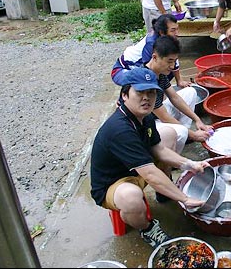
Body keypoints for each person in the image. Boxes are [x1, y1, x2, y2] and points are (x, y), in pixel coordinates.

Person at [90, 67, 210, 248]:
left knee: (168, 135)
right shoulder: (119, 129)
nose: (146, 97)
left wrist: (190, 164)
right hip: (113, 184)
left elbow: (159, 151)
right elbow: (150, 174)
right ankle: (147, 229)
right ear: (124, 95)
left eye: (151, 92)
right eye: (140, 92)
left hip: (136, 170)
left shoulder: (144, 117)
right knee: (132, 197)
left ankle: (164, 192)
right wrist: (184, 198)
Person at [144, 35, 213, 155]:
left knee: (190, 92)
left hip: (159, 114)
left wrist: (197, 120)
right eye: (169, 61)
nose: (172, 66)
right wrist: (194, 135)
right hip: (147, 125)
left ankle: (184, 136)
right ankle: (172, 158)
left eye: (174, 61)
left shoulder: (159, 72)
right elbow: (164, 117)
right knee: (180, 132)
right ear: (155, 57)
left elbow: (174, 97)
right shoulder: (147, 81)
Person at [111, 13, 191, 88]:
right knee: (145, 80)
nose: (177, 33)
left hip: (141, 67)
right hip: (123, 69)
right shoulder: (151, 44)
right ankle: (124, 100)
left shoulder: (169, 40)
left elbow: (173, 59)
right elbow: (148, 68)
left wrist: (179, 81)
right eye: (173, 30)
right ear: (162, 32)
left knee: (168, 69)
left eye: (177, 29)